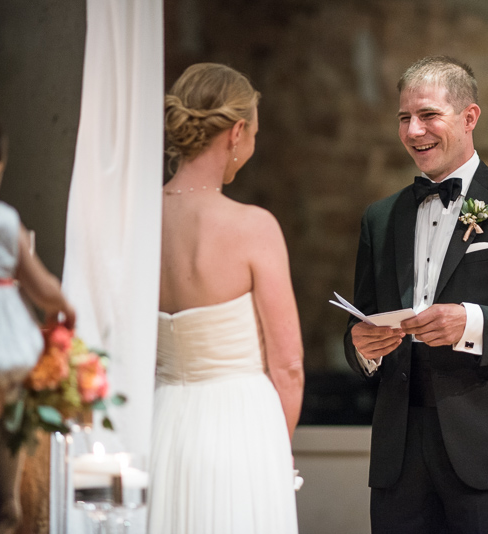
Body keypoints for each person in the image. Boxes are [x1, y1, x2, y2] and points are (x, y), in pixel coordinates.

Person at [343, 56, 488, 534]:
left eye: (428, 115)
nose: (413, 131)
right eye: (404, 118)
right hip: (399, 452)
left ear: (469, 118)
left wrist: (470, 322)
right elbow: (361, 320)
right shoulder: (380, 218)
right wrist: (361, 348)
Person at [149, 63, 304, 534]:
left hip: (158, 424)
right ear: (237, 132)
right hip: (241, 432)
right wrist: (276, 447)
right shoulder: (253, 227)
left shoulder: (137, 218)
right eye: (254, 132)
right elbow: (288, 366)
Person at [0, 102, 75, 534]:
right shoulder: (1, 221)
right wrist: (64, 312)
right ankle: (8, 503)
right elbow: (41, 285)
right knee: (6, 426)